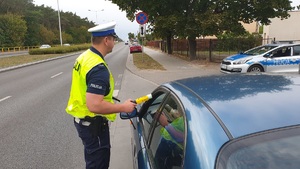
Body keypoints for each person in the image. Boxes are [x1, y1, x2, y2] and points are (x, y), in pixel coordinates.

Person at [65, 22, 136, 169]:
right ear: (106, 40)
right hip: (93, 126)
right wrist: (123, 107)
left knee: (92, 161)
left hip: (83, 121)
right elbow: (94, 105)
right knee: (98, 164)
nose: (114, 42)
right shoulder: (97, 68)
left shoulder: (85, 57)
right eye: (113, 39)